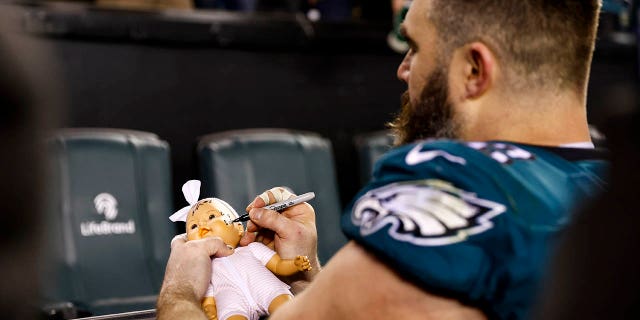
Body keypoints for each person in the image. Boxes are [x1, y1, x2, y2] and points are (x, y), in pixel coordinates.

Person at [158, 1, 607, 319]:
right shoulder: (610, 196)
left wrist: (180, 293)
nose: (402, 68)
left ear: (474, 70)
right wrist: (305, 278)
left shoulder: (455, 192)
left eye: (414, 47)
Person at [168, 181, 311, 320]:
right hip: (231, 301)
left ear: (238, 227)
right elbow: (209, 296)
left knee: (284, 304)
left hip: (265, 287)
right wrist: (210, 309)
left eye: (211, 216)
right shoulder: (206, 268)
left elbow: (278, 265)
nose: (202, 226)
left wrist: (294, 264)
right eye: (193, 227)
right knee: (231, 315)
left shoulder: (253, 248)